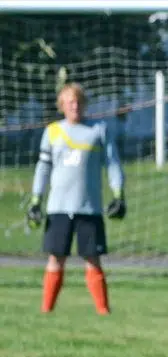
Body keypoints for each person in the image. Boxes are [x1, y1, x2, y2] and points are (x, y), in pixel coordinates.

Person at [25, 82, 126, 315]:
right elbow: (43, 168)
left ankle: (103, 311)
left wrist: (118, 194)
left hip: (89, 208)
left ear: (85, 104)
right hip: (58, 208)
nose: (75, 105)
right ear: (62, 105)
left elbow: (113, 164)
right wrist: (36, 199)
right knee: (56, 258)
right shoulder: (52, 131)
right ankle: (46, 310)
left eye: (79, 101)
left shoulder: (99, 130)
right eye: (70, 102)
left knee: (93, 259)